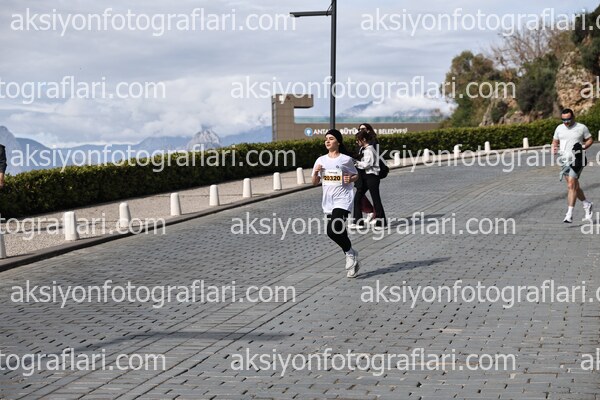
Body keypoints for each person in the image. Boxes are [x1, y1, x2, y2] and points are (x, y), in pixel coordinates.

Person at [312, 129, 361, 278]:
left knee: (332, 230)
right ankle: (351, 256)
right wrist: (316, 172)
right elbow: (314, 182)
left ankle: (349, 253)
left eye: (331, 138)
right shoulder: (320, 160)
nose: (327, 141)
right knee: (339, 231)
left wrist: (350, 179)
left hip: (343, 199)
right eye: (326, 139)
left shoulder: (345, 159)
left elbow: (356, 175)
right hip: (328, 201)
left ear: (338, 142)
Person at [551, 108, 593, 223]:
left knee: (571, 185)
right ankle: (586, 204)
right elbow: (555, 141)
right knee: (574, 186)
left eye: (568, 119)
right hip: (564, 161)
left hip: (578, 159)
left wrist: (584, 146)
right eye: (563, 120)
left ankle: (569, 214)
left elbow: (589, 139)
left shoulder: (581, 127)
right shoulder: (559, 128)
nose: (566, 122)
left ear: (573, 117)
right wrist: (554, 148)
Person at [352, 129, 388, 229]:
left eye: (358, 140)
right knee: (357, 198)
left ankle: (382, 223)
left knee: (376, 199)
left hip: (372, 177)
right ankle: (358, 222)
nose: (357, 142)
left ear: (364, 139)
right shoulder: (363, 149)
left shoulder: (369, 150)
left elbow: (367, 165)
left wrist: (355, 163)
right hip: (366, 177)